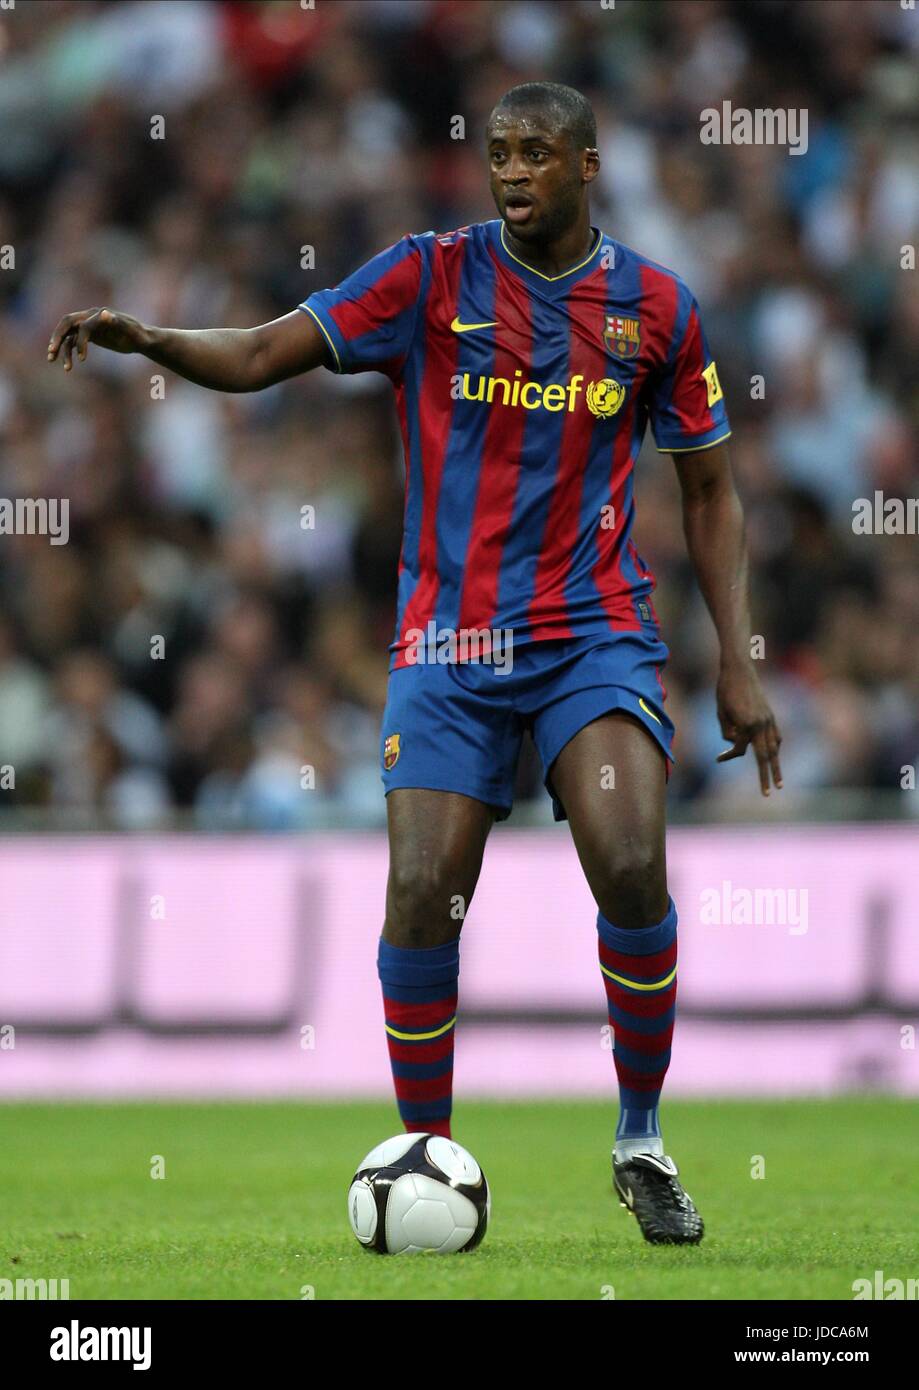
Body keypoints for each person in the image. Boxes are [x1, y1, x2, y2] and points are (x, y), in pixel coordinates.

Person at [48, 81, 782, 1245]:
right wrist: (153, 339)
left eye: (536, 154)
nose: (510, 173)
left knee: (632, 859)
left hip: (593, 633)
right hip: (448, 643)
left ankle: (640, 1137)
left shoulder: (657, 308)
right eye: (497, 154)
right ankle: (429, 1154)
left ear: (587, 166)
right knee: (418, 894)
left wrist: (738, 661)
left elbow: (711, 492)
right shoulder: (427, 277)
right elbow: (258, 351)